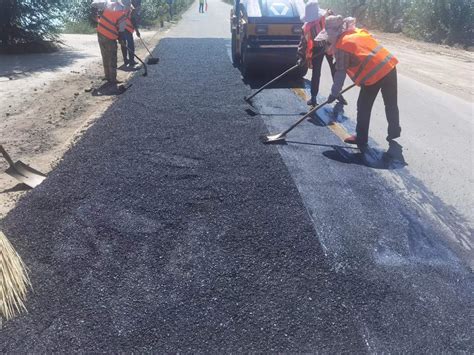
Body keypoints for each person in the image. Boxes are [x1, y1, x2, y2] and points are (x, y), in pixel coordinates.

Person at [317, 15, 401, 147]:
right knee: (391, 103)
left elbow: (340, 73)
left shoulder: (341, 45)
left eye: (327, 41)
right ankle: (394, 130)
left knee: (363, 107)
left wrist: (334, 94)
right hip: (389, 65)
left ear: (332, 35)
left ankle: (361, 138)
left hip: (374, 75)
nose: (327, 44)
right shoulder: (355, 32)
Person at [296, 1, 346, 107]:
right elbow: (303, 42)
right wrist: (301, 57)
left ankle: (338, 94)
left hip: (329, 46)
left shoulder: (327, 17)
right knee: (316, 73)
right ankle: (313, 97)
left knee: (335, 69)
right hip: (317, 49)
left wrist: (329, 44)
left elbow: (338, 28)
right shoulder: (306, 27)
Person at [92, 0, 129, 89]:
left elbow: (93, 4)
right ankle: (112, 79)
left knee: (105, 55)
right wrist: (122, 41)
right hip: (110, 36)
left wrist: (95, 16)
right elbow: (121, 31)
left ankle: (107, 76)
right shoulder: (122, 13)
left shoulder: (107, 3)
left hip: (100, 32)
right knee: (112, 57)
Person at [119, 0, 141, 68]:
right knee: (130, 44)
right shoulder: (131, 8)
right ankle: (131, 61)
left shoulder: (121, 5)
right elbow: (133, 20)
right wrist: (137, 31)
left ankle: (126, 60)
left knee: (123, 44)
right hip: (127, 28)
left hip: (121, 27)